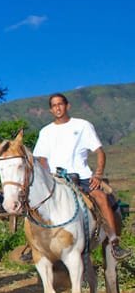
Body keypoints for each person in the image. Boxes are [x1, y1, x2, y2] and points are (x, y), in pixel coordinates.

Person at [33, 93, 130, 260]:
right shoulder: (45, 132)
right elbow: (41, 159)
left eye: (60, 104)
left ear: (67, 106)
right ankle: (34, 245)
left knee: (101, 197)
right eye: (54, 105)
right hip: (56, 179)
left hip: (81, 177)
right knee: (35, 205)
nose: (58, 107)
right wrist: (47, 177)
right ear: (50, 109)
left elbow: (99, 152)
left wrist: (98, 175)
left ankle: (114, 243)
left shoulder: (83, 125)